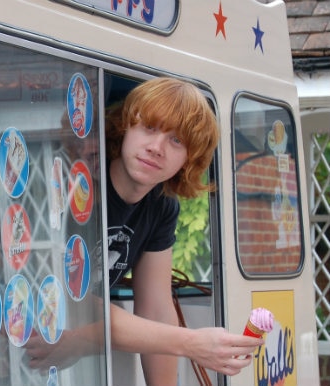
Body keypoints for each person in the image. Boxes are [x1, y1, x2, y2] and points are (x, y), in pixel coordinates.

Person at [24, 77, 263, 385]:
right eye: (149, 127)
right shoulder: (78, 189)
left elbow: (156, 307)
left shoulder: (162, 205)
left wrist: (83, 340)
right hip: (9, 340)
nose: (156, 147)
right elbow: (77, 301)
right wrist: (191, 342)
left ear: (189, 159)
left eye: (177, 140)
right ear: (125, 127)